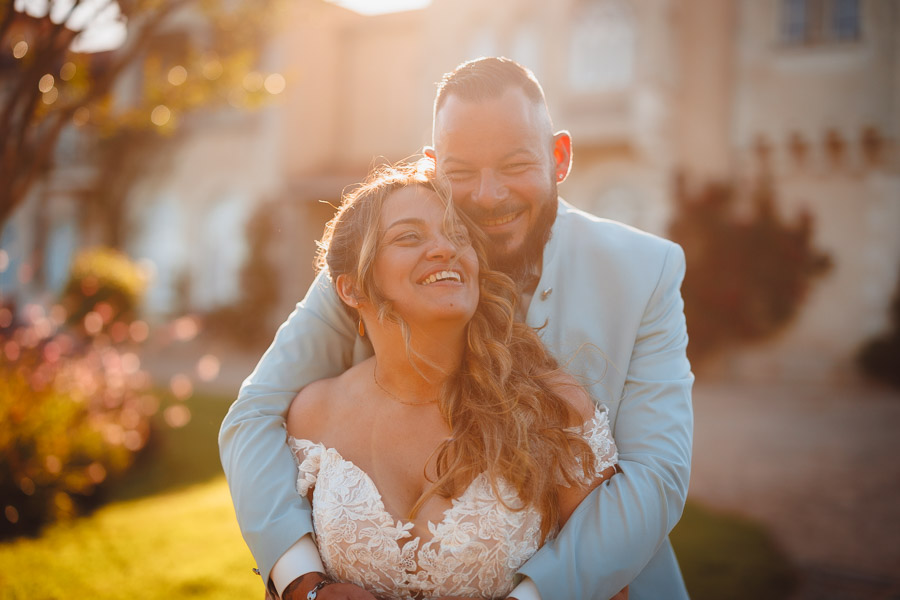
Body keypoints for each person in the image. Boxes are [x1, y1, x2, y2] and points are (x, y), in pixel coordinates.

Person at [220, 56, 693, 600]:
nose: (488, 196)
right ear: (433, 167)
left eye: (515, 164)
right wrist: (303, 582)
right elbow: (254, 417)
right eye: (462, 172)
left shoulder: (646, 270)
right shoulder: (369, 275)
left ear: (559, 157)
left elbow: (655, 477)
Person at [284, 162, 622, 599]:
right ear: (352, 289)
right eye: (409, 236)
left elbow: (609, 586)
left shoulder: (553, 407)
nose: (445, 248)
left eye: (458, 236)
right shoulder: (313, 413)